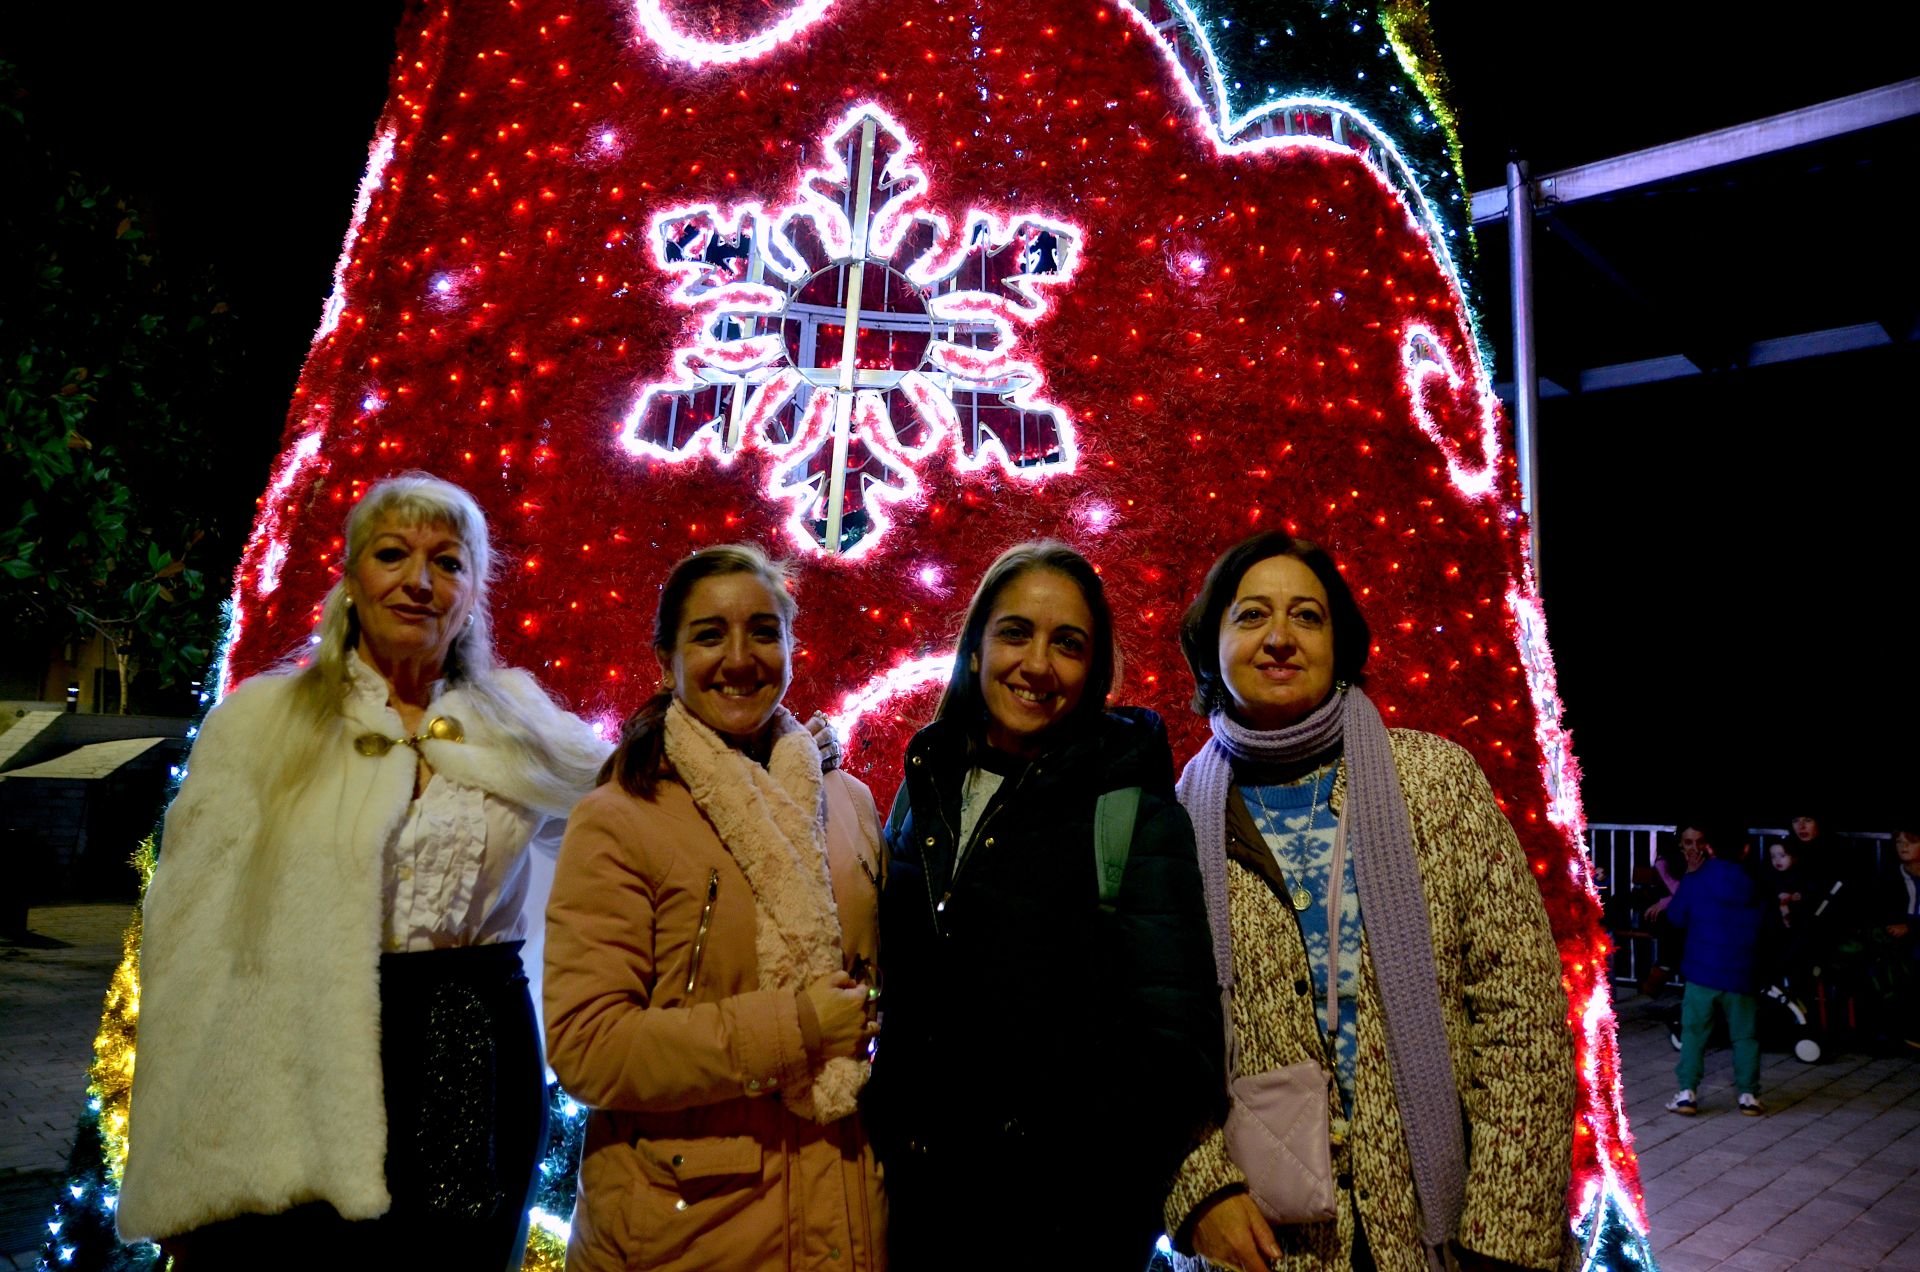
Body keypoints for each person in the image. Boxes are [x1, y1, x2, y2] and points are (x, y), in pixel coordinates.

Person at [119, 474, 608, 1268]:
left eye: (447, 562)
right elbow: (187, 944)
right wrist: (174, 1160)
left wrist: (792, 754)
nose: (419, 581)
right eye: (392, 555)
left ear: (475, 590)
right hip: (294, 1063)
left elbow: (640, 797)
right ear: (351, 578)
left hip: (472, 1058)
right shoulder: (261, 724)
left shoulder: (519, 723)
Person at [1165, 530, 1574, 1272]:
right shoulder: (1173, 823)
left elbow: (1524, 1019)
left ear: (1340, 641)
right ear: (1211, 645)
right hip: (1261, 1246)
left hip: (1437, 1238)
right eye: (1251, 615)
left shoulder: (1436, 783)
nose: (1280, 638)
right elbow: (1147, 1043)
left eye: (1308, 617)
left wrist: (1504, 1240)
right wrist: (1196, 1194)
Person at [869, 541, 1221, 1270]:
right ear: (974, 650)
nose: (1037, 664)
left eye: (1067, 643)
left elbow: (1177, 1056)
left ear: (1094, 672)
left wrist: (1075, 1192)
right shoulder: (924, 791)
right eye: (1016, 633)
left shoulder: (1133, 814)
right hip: (912, 1217)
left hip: (1058, 1233)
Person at [543, 544, 886, 1271]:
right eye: (709, 635)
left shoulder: (850, 804)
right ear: (666, 659)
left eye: (764, 632)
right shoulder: (620, 815)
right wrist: (795, 1028)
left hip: (843, 1202)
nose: (740, 657)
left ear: (791, 646)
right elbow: (588, 1047)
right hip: (687, 1228)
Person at [1662, 826, 1767, 1117]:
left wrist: (1689, 878)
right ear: (1745, 849)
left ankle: (1687, 1093)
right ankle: (1748, 1095)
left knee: (1694, 1033)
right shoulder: (1754, 881)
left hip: (1701, 972)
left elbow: (1676, 917)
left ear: (1710, 848)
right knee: (1745, 1036)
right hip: (1741, 973)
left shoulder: (1698, 879)